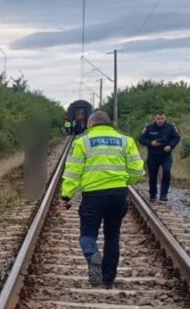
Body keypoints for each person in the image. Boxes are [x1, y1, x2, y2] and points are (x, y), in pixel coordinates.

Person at [61, 111, 145, 288]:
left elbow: (73, 172)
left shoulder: (82, 141)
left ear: (90, 124)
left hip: (93, 196)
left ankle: (92, 255)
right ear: (110, 124)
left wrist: (66, 195)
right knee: (112, 235)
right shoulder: (126, 140)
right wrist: (124, 181)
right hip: (118, 194)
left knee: (87, 235)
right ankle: (108, 279)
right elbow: (137, 170)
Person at [138, 110, 181, 202]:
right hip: (153, 156)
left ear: (165, 118)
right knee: (152, 176)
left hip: (166, 155)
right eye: (158, 119)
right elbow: (141, 139)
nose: (160, 120)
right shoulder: (149, 128)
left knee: (166, 172)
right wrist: (150, 143)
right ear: (155, 118)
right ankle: (153, 194)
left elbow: (176, 138)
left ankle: (163, 194)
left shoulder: (171, 127)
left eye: (162, 118)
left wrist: (170, 146)